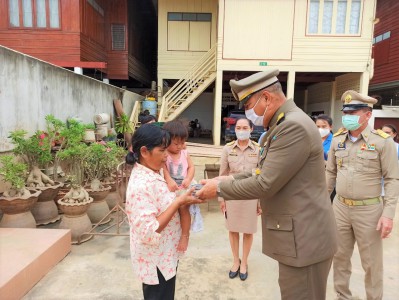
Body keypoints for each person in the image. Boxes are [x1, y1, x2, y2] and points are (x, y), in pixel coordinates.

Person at [196, 69, 337, 300]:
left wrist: (219, 189)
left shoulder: (292, 126)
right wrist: (227, 179)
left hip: (305, 239)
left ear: (267, 98)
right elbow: (263, 171)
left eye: (249, 104)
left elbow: (264, 183)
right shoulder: (285, 123)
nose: (248, 113)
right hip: (299, 238)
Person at [325, 90, 399, 300]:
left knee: (372, 264)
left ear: (367, 115)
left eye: (354, 112)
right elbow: (330, 173)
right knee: (339, 258)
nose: (347, 116)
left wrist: (388, 214)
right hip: (339, 207)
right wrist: (322, 203)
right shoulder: (338, 139)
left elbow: (393, 179)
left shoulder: (382, 142)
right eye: (345, 112)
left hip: (369, 210)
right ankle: (342, 296)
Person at [125, 124, 203, 300]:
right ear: (144, 152)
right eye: (162, 151)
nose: (167, 156)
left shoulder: (155, 172)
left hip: (166, 255)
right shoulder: (141, 185)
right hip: (155, 262)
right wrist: (178, 202)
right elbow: (149, 231)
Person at [218, 117, 262, 281]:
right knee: (233, 229)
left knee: (248, 230)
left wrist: (260, 201)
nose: (241, 130)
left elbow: (261, 175)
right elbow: (222, 175)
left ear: (251, 129)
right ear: (234, 129)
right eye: (238, 127)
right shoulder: (228, 149)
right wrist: (221, 199)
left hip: (251, 194)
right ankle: (236, 261)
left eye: (245, 127)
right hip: (232, 194)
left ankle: (245, 263)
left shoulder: (258, 149)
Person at [163, 120, 203, 237]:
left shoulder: (184, 153)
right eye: (176, 144)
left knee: (184, 208)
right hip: (172, 187)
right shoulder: (164, 153)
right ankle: (173, 234)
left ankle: (185, 235)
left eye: (182, 143)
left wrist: (189, 179)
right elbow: (164, 169)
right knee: (171, 211)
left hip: (184, 186)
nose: (179, 146)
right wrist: (169, 180)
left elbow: (191, 167)